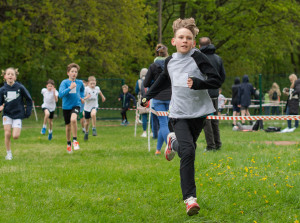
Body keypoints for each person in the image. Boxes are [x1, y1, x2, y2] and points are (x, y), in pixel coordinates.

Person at [141, 18, 221, 216]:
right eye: (181, 37)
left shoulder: (199, 57)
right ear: (174, 41)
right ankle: (190, 199)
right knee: (189, 152)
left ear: (193, 42)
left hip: (199, 113)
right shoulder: (169, 61)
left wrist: (198, 82)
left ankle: (172, 140)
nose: (185, 41)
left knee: (187, 149)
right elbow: (162, 80)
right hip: (178, 113)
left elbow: (216, 80)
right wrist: (147, 97)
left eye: (188, 38)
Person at [198, 37, 226, 151]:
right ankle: (218, 143)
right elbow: (222, 76)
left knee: (206, 120)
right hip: (214, 92)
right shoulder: (218, 59)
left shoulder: (199, 59)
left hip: (204, 93)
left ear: (200, 46)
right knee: (214, 118)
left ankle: (211, 146)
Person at [144, 44, 171, 155]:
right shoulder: (172, 64)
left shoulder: (153, 66)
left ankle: (171, 147)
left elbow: (146, 83)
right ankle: (158, 150)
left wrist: (153, 83)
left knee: (163, 124)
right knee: (165, 123)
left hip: (158, 97)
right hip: (171, 97)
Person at [0, 67, 32, 160]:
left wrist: (27, 112)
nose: (10, 75)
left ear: (15, 77)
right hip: (7, 114)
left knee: (15, 136)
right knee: (7, 133)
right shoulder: (2, 90)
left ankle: (10, 151)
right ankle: (8, 153)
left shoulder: (20, 87)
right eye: (8, 74)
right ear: (5, 76)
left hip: (18, 114)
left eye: (12, 74)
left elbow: (29, 100)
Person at [58, 63, 85, 153]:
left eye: (76, 72)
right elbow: (61, 95)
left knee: (73, 120)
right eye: (72, 71)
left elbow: (82, 90)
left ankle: (75, 140)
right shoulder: (64, 82)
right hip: (66, 106)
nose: (74, 73)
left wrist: (81, 97)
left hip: (76, 105)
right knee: (68, 126)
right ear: (68, 73)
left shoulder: (80, 82)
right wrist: (70, 88)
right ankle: (68, 144)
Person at [83, 76, 106, 141]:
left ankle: (94, 128)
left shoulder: (97, 88)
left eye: (94, 83)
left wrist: (103, 97)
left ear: (96, 83)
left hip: (94, 106)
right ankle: (86, 132)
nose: (93, 85)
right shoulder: (86, 89)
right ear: (88, 83)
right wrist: (86, 97)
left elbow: (99, 92)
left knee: (93, 114)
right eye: (91, 84)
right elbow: (82, 98)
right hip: (87, 107)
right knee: (87, 123)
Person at [135, 68, 149, 137]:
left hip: (142, 99)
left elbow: (136, 91)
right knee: (152, 115)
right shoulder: (151, 80)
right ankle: (153, 131)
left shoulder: (139, 82)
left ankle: (144, 132)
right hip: (150, 98)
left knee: (144, 115)